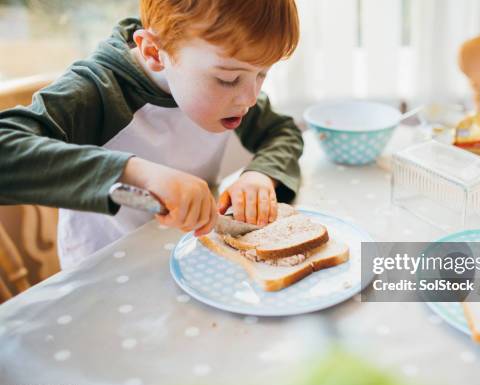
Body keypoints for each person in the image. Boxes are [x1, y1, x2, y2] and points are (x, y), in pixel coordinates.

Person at [0, 0, 303, 269]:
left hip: (191, 258)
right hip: (105, 274)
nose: (249, 98)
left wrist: (260, 176)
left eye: (263, 73)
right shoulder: (98, 92)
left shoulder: (229, 90)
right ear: (153, 51)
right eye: (228, 78)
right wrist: (134, 173)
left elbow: (282, 132)